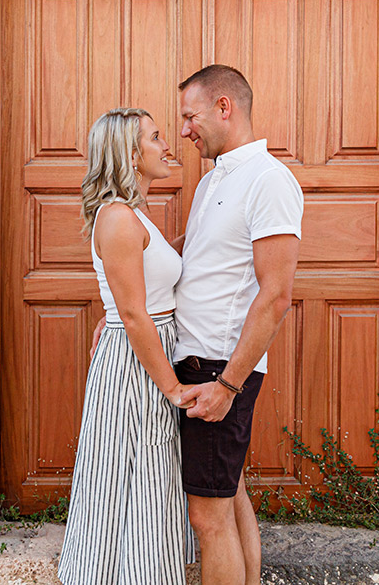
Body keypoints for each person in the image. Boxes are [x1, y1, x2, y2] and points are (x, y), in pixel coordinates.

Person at [174, 65, 303, 585]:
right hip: (200, 362)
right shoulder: (211, 182)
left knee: (207, 519)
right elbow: (195, 261)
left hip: (218, 368)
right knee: (229, 499)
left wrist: (227, 385)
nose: (184, 130)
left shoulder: (270, 180)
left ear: (223, 106)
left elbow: (275, 297)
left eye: (190, 116)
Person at [57, 107, 197, 585]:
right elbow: (135, 314)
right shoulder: (117, 218)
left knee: (149, 480)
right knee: (129, 477)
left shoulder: (134, 214)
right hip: (138, 364)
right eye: (156, 138)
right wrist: (174, 389)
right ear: (131, 154)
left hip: (149, 351)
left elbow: (145, 284)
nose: (167, 145)